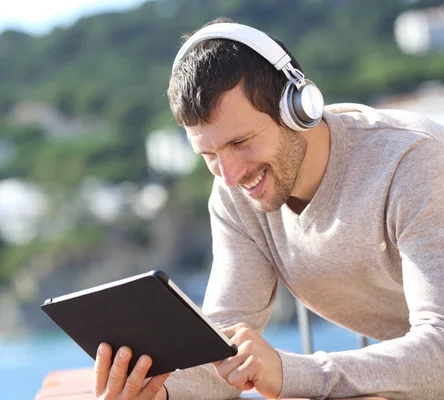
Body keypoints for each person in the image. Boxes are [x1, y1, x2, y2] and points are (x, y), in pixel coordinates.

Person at [88, 17, 444, 400]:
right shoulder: (235, 194)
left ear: (298, 108)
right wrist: (158, 392)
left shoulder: (414, 161)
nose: (229, 174)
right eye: (209, 154)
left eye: (241, 141)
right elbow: (223, 347)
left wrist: (292, 371)